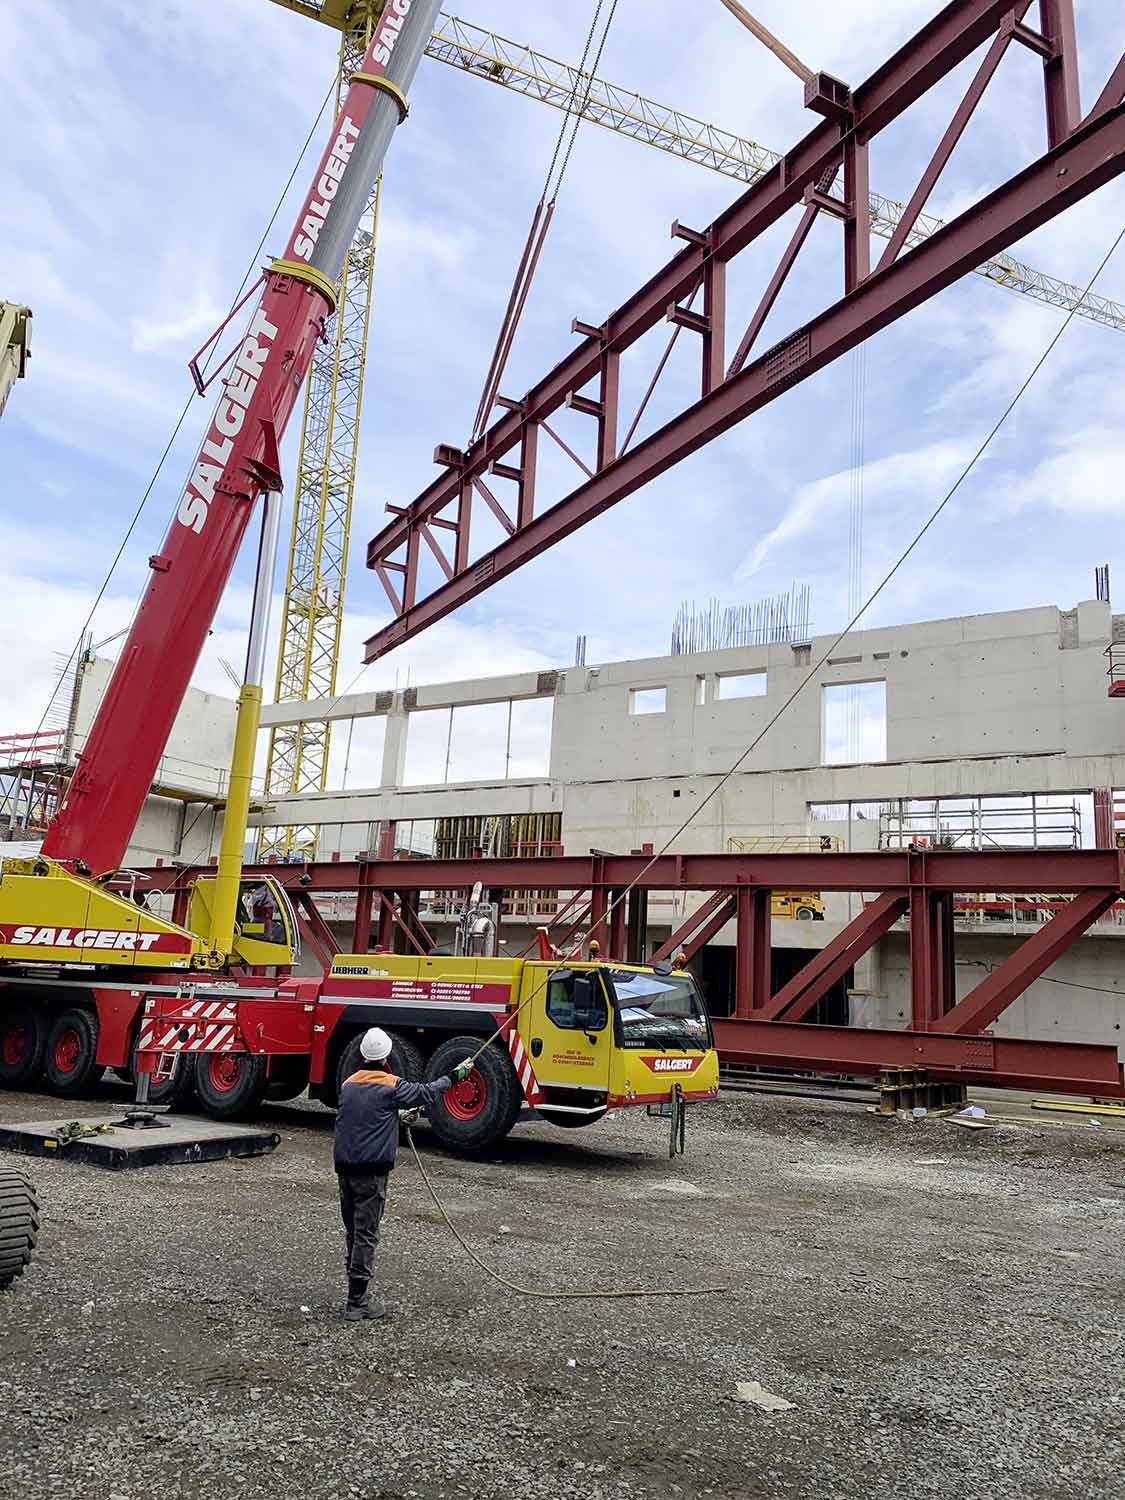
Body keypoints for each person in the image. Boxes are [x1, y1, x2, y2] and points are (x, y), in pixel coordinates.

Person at [333, 1026, 473, 1322]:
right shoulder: (392, 1085)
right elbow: (427, 1093)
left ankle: (355, 1293)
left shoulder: (348, 1085)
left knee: (354, 1232)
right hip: (372, 1171)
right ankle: (357, 1301)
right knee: (367, 1234)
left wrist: (394, 1115)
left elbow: (363, 1112)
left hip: (345, 1169)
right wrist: (456, 1075)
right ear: (387, 1059)